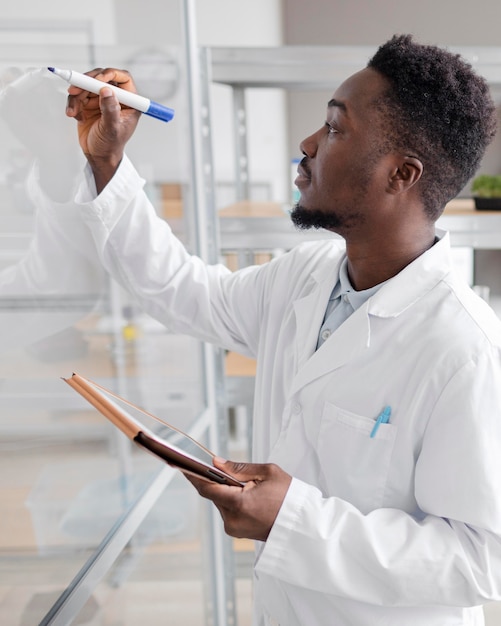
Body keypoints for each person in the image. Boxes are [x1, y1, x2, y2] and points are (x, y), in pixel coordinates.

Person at [64, 34, 501, 625]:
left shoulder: (465, 348)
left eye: (336, 129)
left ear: (402, 174)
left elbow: (479, 559)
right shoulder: (306, 277)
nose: (309, 144)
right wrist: (107, 162)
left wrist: (292, 519)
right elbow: (180, 290)